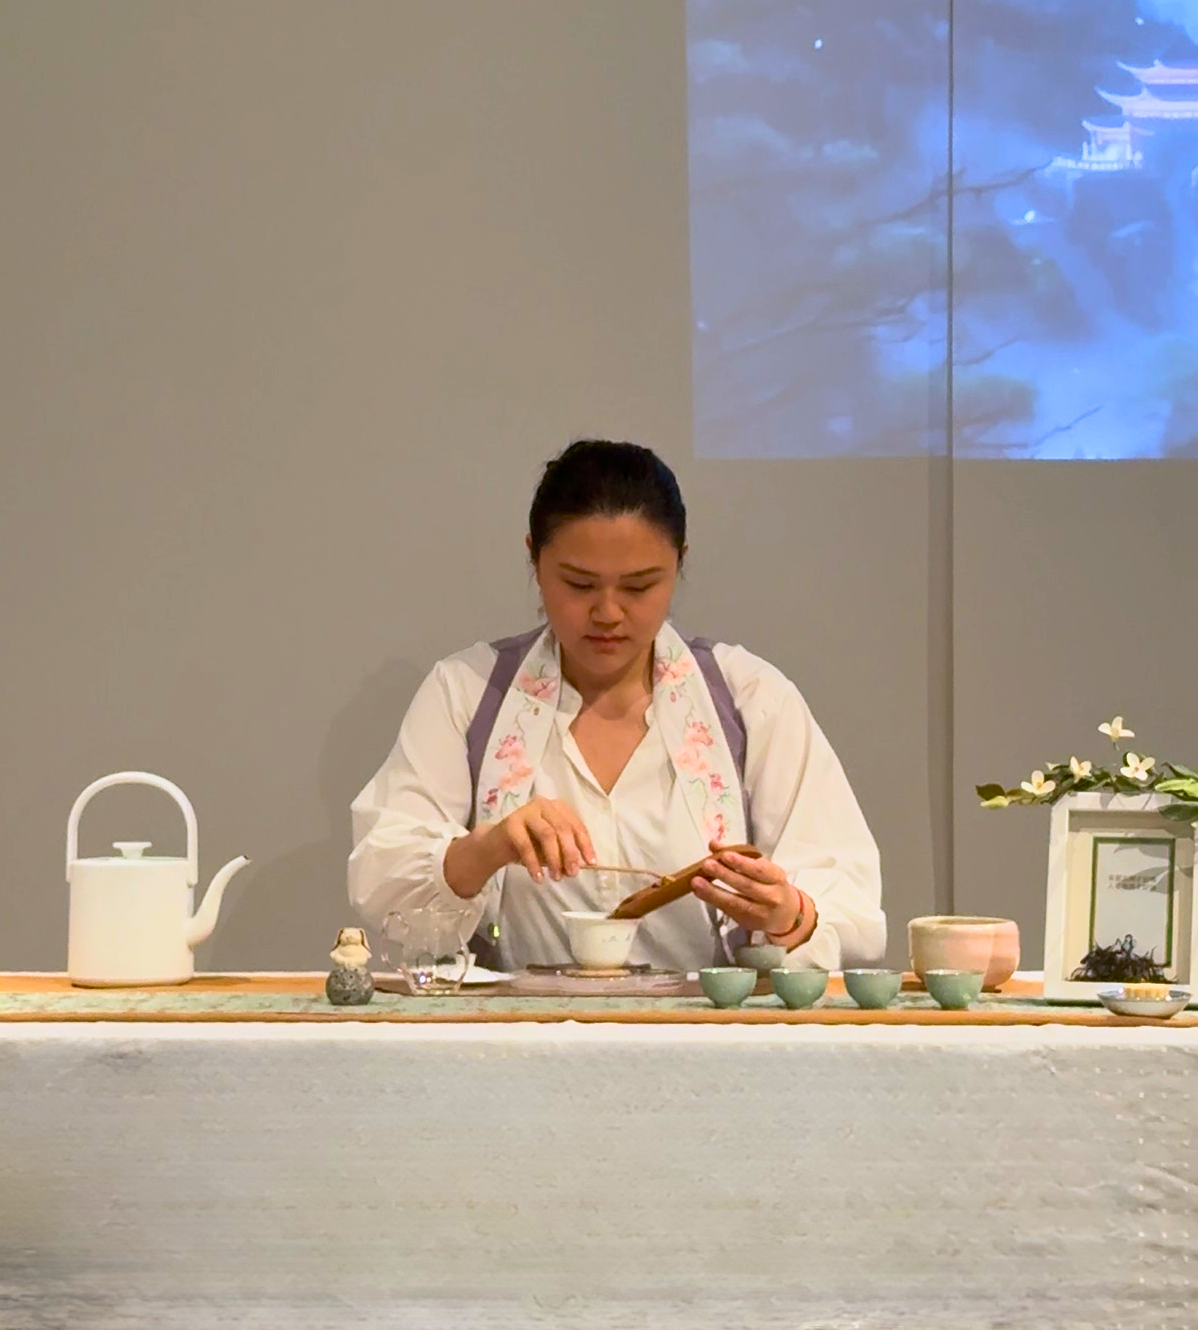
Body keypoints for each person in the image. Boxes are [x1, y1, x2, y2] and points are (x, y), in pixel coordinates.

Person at [349, 439, 885, 973]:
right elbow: (383, 878)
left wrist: (789, 915)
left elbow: (847, 897)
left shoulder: (750, 698)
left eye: (639, 586)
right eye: (579, 584)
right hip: (517, 1024)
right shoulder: (467, 692)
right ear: (534, 558)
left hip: (708, 1026)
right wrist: (488, 848)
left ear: (680, 561)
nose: (607, 613)